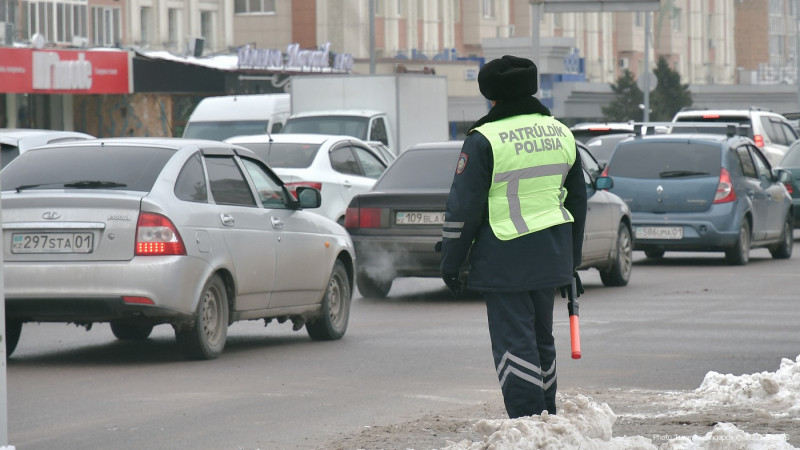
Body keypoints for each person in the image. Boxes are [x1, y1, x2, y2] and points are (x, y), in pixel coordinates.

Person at [438, 55, 587, 419]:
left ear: (491, 96)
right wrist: (572, 262)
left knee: (514, 344)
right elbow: (578, 202)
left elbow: (464, 209)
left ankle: (527, 424)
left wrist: (451, 263)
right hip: (552, 254)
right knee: (541, 340)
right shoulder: (560, 132)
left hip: (505, 256)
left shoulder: (484, 139)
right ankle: (547, 418)